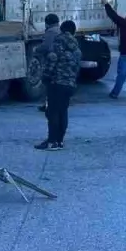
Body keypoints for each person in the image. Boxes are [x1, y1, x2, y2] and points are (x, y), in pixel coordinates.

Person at [35, 19, 82, 150]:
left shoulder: (58, 42)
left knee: (52, 112)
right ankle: (60, 141)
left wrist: (45, 78)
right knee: (63, 111)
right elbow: (77, 68)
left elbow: (52, 61)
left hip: (56, 83)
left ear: (62, 29)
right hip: (70, 84)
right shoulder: (77, 48)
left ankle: (51, 141)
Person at [34, 13, 62, 113]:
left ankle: (48, 105)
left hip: (51, 62)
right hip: (60, 62)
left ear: (47, 23)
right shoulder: (60, 30)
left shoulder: (51, 32)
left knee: (48, 84)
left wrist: (36, 49)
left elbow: (46, 46)